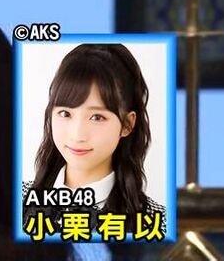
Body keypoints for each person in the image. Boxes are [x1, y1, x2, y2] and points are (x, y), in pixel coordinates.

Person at [21, 43, 166, 238]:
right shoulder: (13, 201)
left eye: (97, 117)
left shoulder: (155, 222)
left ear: (127, 124)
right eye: (65, 113)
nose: (77, 135)